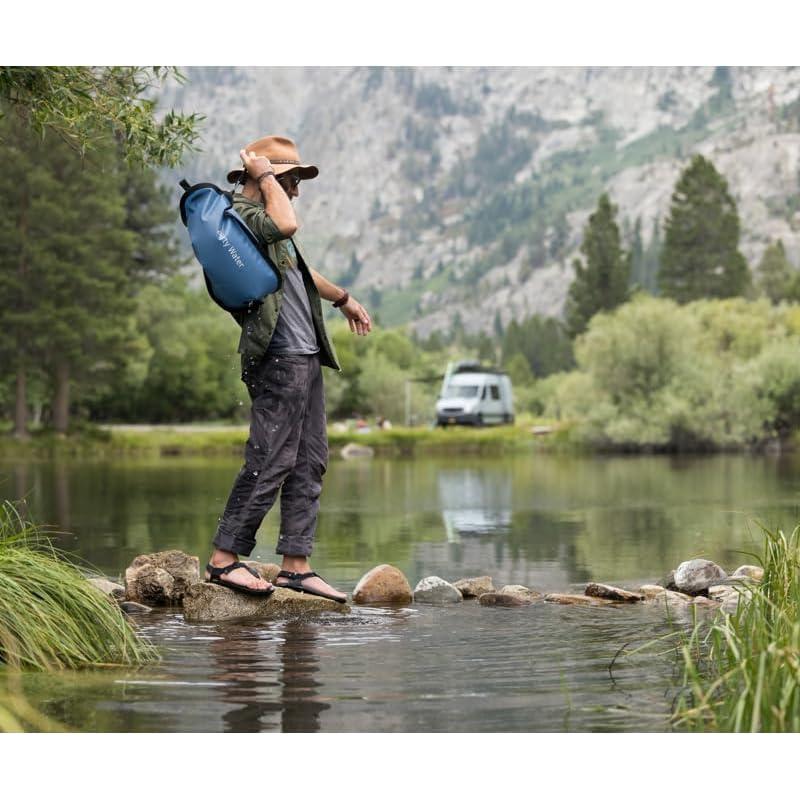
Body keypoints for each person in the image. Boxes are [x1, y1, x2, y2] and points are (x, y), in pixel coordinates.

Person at [204, 135, 371, 603]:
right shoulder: (243, 216)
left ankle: (295, 566)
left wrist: (343, 298)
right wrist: (262, 175)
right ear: (268, 177)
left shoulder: (266, 225)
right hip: (278, 356)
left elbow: (298, 270)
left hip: (305, 353)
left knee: (310, 459)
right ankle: (223, 561)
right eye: (291, 179)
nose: (295, 190)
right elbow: (288, 222)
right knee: (270, 459)